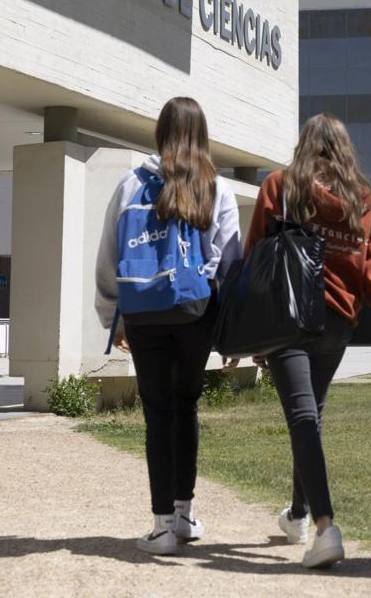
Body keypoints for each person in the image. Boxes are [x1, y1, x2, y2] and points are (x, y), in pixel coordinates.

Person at [239, 113, 371, 569]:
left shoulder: (280, 186)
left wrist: (245, 328)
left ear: (305, 144)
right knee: (308, 417)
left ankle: (325, 527)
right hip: (336, 324)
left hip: (287, 320)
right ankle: (296, 515)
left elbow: (254, 253)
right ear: (344, 149)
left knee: (302, 417)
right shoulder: (363, 200)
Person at [95, 96, 241, 555]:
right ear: (202, 135)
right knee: (187, 406)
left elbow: (109, 253)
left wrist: (110, 314)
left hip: (143, 313)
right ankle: (184, 514)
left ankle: (160, 526)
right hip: (195, 313)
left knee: (156, 414)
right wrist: (225, 324)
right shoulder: (217, 188)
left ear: (160, 132)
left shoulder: (130, 185)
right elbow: (227, 261)